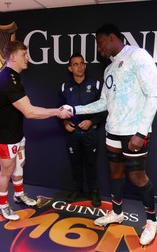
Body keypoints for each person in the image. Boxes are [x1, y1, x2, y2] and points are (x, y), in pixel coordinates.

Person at [63, 24, 157, 246]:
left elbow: (153, 95)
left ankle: (152, 220)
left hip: (134, 133)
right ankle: (117, 213)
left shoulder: (138, 56)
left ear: (112, 38)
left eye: (100, 43)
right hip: (112, 132)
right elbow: (103, 102)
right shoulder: (109, 69)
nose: (99, 49)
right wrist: (75, 110)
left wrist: (141, 132)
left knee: (137, 177)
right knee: (115, 174)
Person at [0, 40, 72, 221]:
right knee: (6, 171)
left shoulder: (14, 76)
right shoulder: (8, 80)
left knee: (20, 164)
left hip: (16, 132)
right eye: (23, 55)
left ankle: (19, 194)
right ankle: (2, 206)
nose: (27, 58)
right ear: (13, 57)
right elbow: (30, 111)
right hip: (4, 136)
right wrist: (57, 112)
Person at [60, 53, 106, 207]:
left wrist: (91, 121)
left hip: (90, 132)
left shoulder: (96, 84)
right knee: (75, 163)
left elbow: (104, 108)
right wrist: (65, 122)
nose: (79, 67)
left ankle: (94, 192)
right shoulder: (65, 87)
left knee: (91, 164)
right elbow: (59, 109)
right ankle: (77, 189)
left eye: (81, 63)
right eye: (75, 64)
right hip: (72, 133)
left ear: (85, 65)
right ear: (70, 68)